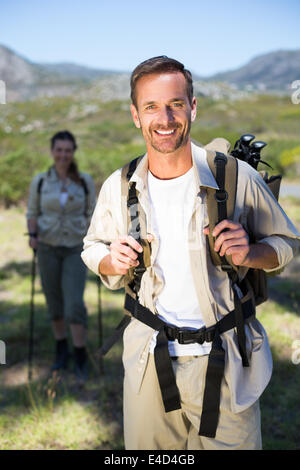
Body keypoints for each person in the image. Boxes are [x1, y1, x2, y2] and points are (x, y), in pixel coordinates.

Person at [81, 57, 300, 450]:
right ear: (135, 115)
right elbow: (93, 247)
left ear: (193, 107)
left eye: (175, 104)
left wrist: (251, 252)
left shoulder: (236, 177)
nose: (164, 118)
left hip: (227, 364)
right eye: (151, 107)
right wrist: (110, 261)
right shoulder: (120, 185)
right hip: (149, 364)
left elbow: (286, 246)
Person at [27, 130, 96, 382]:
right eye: (59, 150)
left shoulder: (85, 181)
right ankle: (61, 350)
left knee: (74, 305)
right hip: (47, 247)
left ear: (73, 152)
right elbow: (32, 212)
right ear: (52, 151)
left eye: (68, 150)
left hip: (74, 249)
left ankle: (80, 355)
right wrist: (33, 235)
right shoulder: (41, 181)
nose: (63, 154)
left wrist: (93, 238)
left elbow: (93, 214)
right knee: (54, 303)